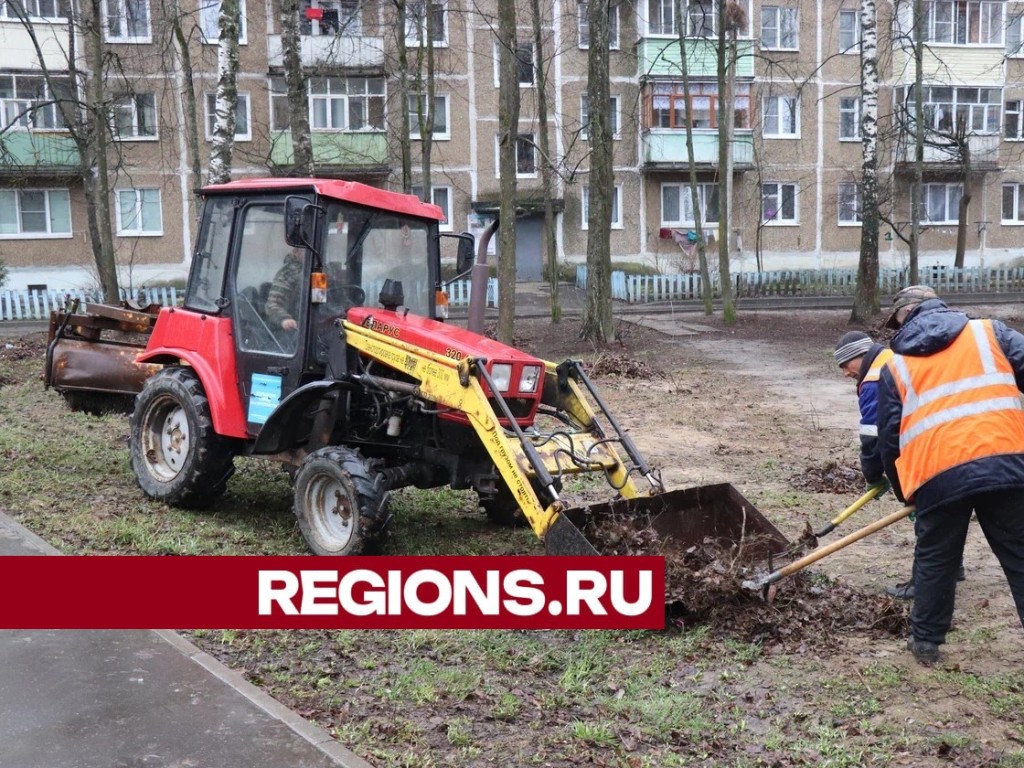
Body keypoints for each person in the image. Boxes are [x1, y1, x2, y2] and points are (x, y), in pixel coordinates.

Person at [877, 285, 1024, 665]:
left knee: (936, 560)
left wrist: (904, 491)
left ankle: (926, 643)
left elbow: (889, 440)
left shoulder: (895, 366)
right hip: (1004, 462)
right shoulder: (991, 333)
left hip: (936, 476)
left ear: (905, 315)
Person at [264, 248, 305, 331]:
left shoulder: (326, 271)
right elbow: (273, 305)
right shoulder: (288, 273)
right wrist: (285, 319)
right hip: (299, 330)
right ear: (296, 252)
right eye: (305, 250)